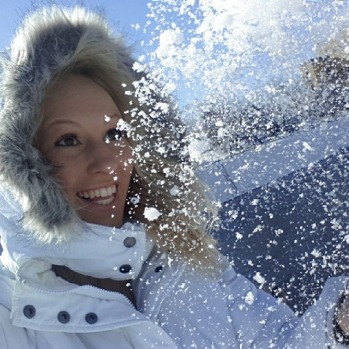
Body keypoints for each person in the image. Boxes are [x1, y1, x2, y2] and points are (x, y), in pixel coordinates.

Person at [0, 5, 348, 348]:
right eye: (68, 141)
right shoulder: (13, 313)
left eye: (115, 134)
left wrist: (340, 322)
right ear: (24, 167)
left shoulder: (185, 264)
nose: (106, 162)